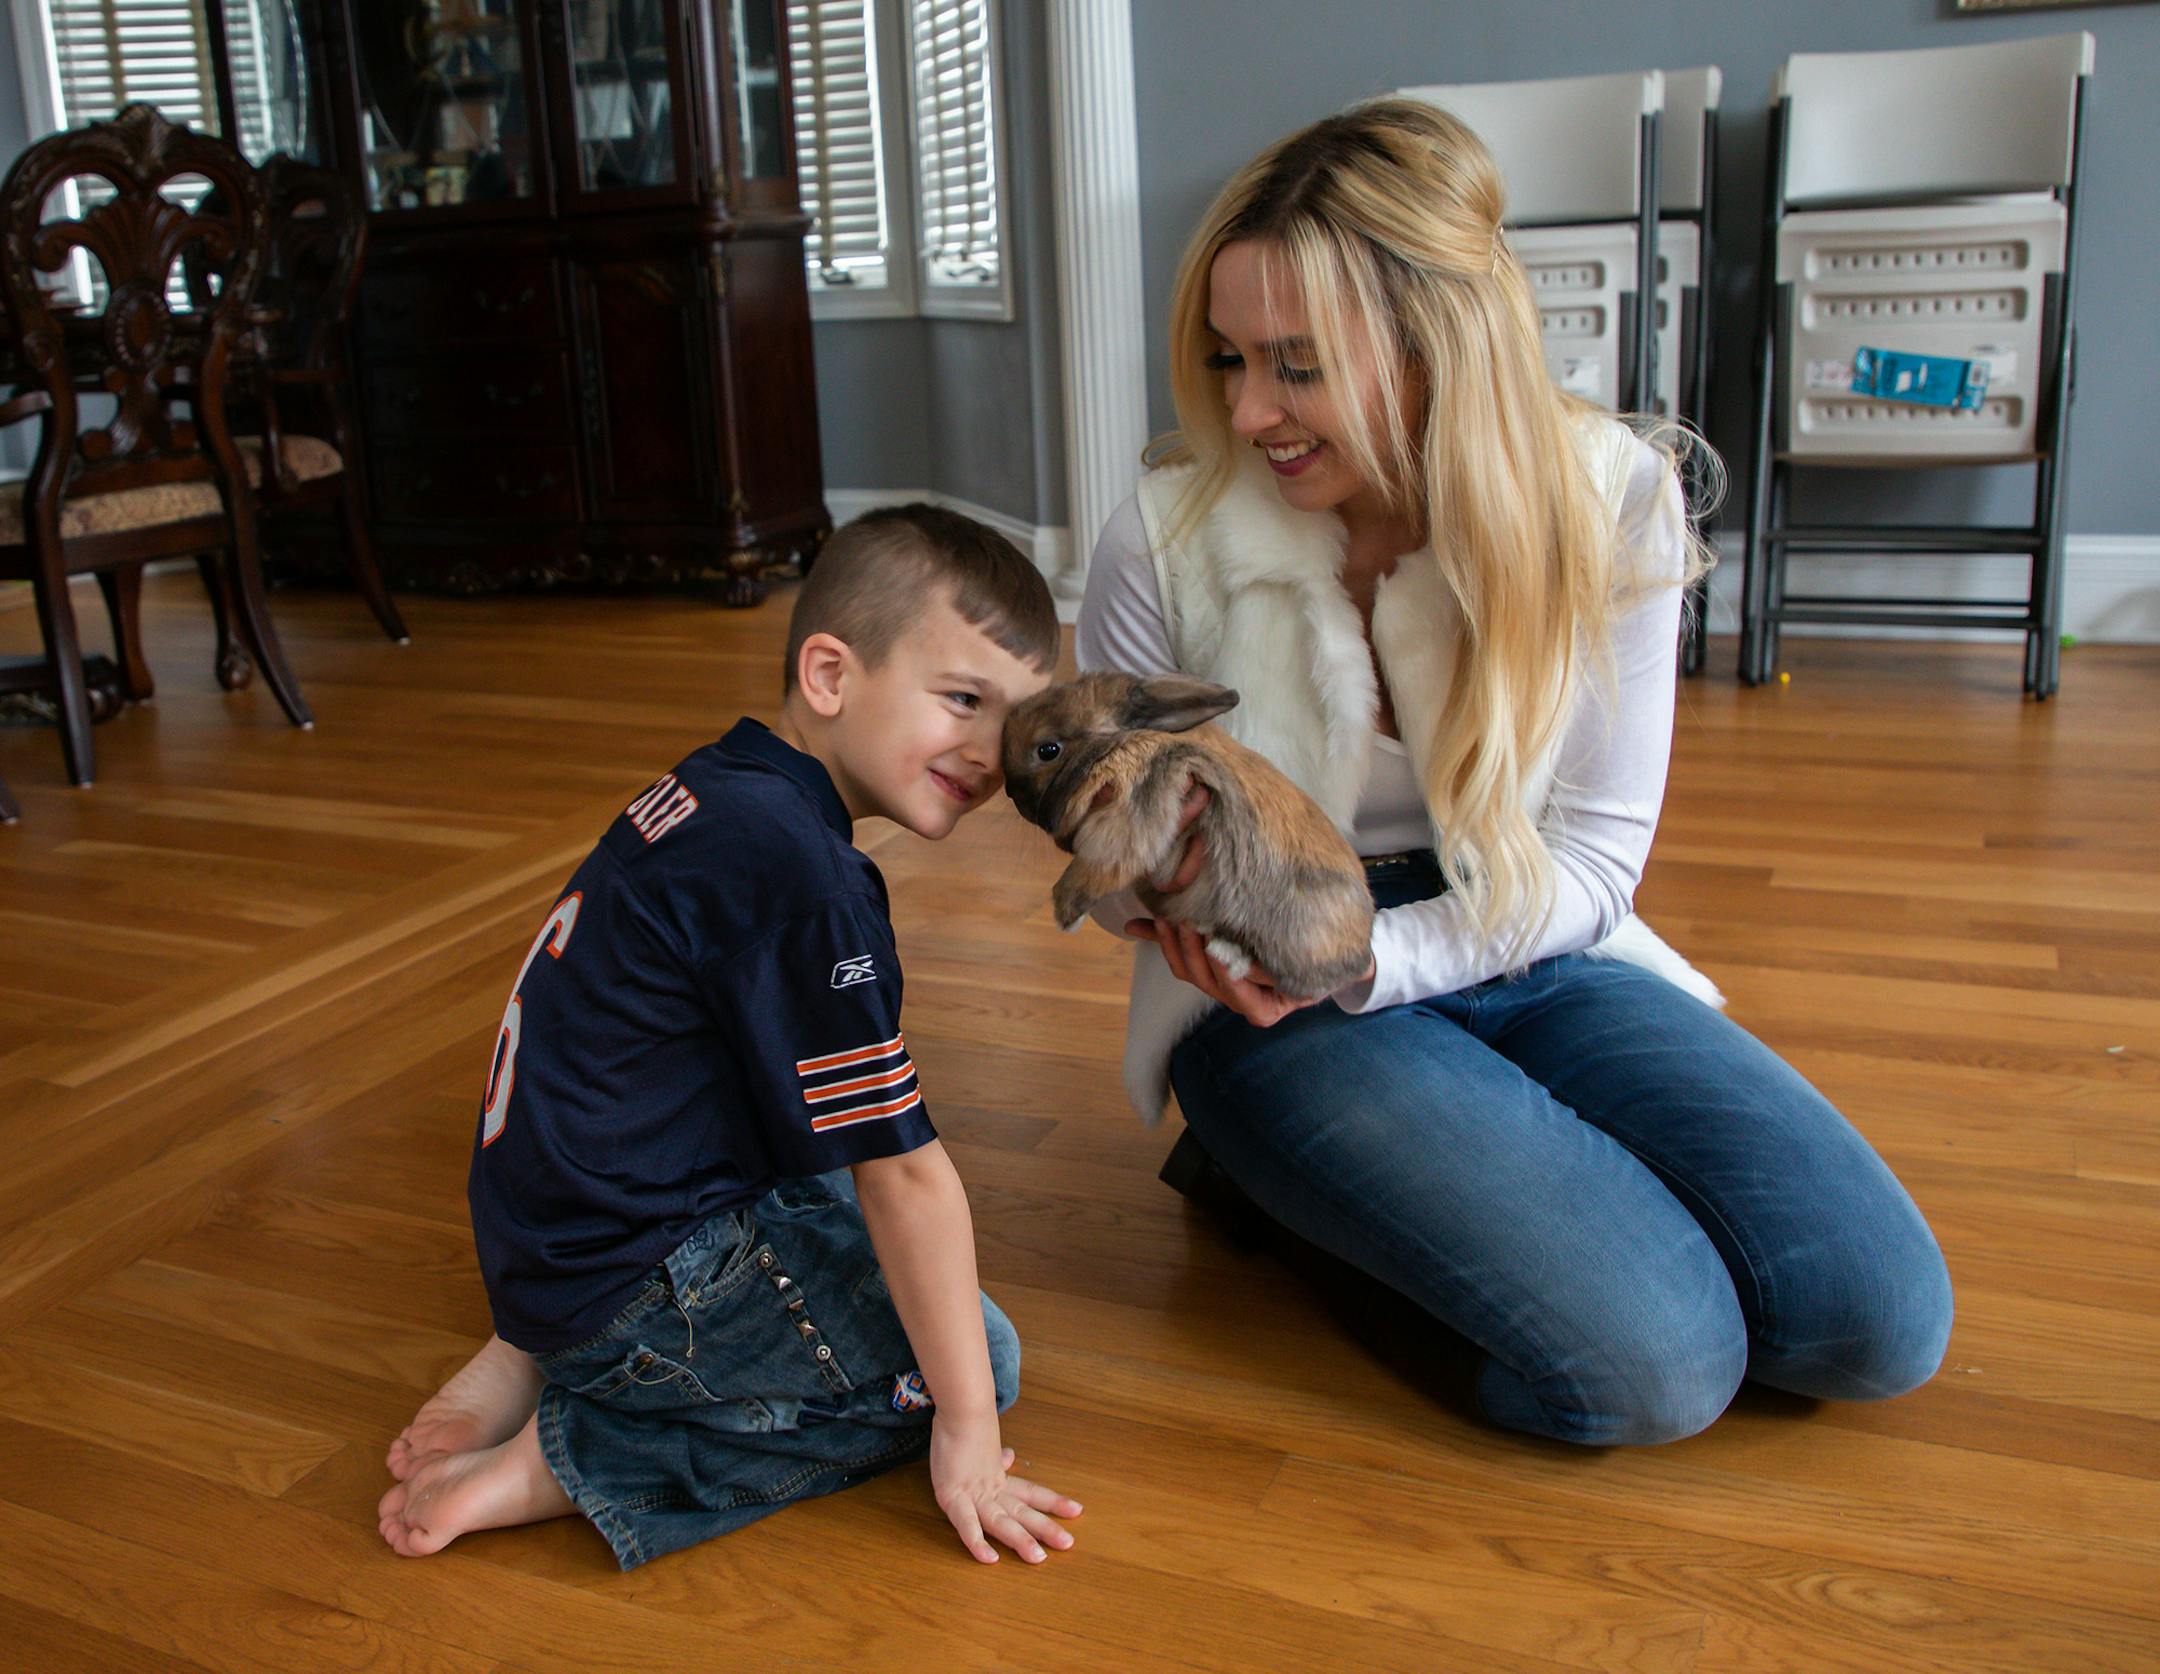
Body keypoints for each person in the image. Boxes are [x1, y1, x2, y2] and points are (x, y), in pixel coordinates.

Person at [1077, 99, 1952, 1446]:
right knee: (1653, 1369)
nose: (1247, 409)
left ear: (1437, 345)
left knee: (1877, 1319)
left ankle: (1429, 1186)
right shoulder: (1167, 533)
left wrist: (1381, 962)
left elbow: (1596, 859)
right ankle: (1285, 1194)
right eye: (1228, 357)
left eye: (1295, 367)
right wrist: (1168, 904)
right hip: (1270, 1001)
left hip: (1526, 931)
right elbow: (1104, 830)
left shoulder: (1606, 496)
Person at [379, 506, 1083, 1567]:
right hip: (625, 1270)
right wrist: (969, 1434)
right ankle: (573, 1456)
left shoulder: (722, 784)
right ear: (830, 675)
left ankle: (533, 1346)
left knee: (857, 1193)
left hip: (556, 1234)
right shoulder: (805, 877)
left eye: (1012, 720)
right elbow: (903, 1177)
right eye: (960, 701)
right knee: (975, 1356)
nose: (991, 755)